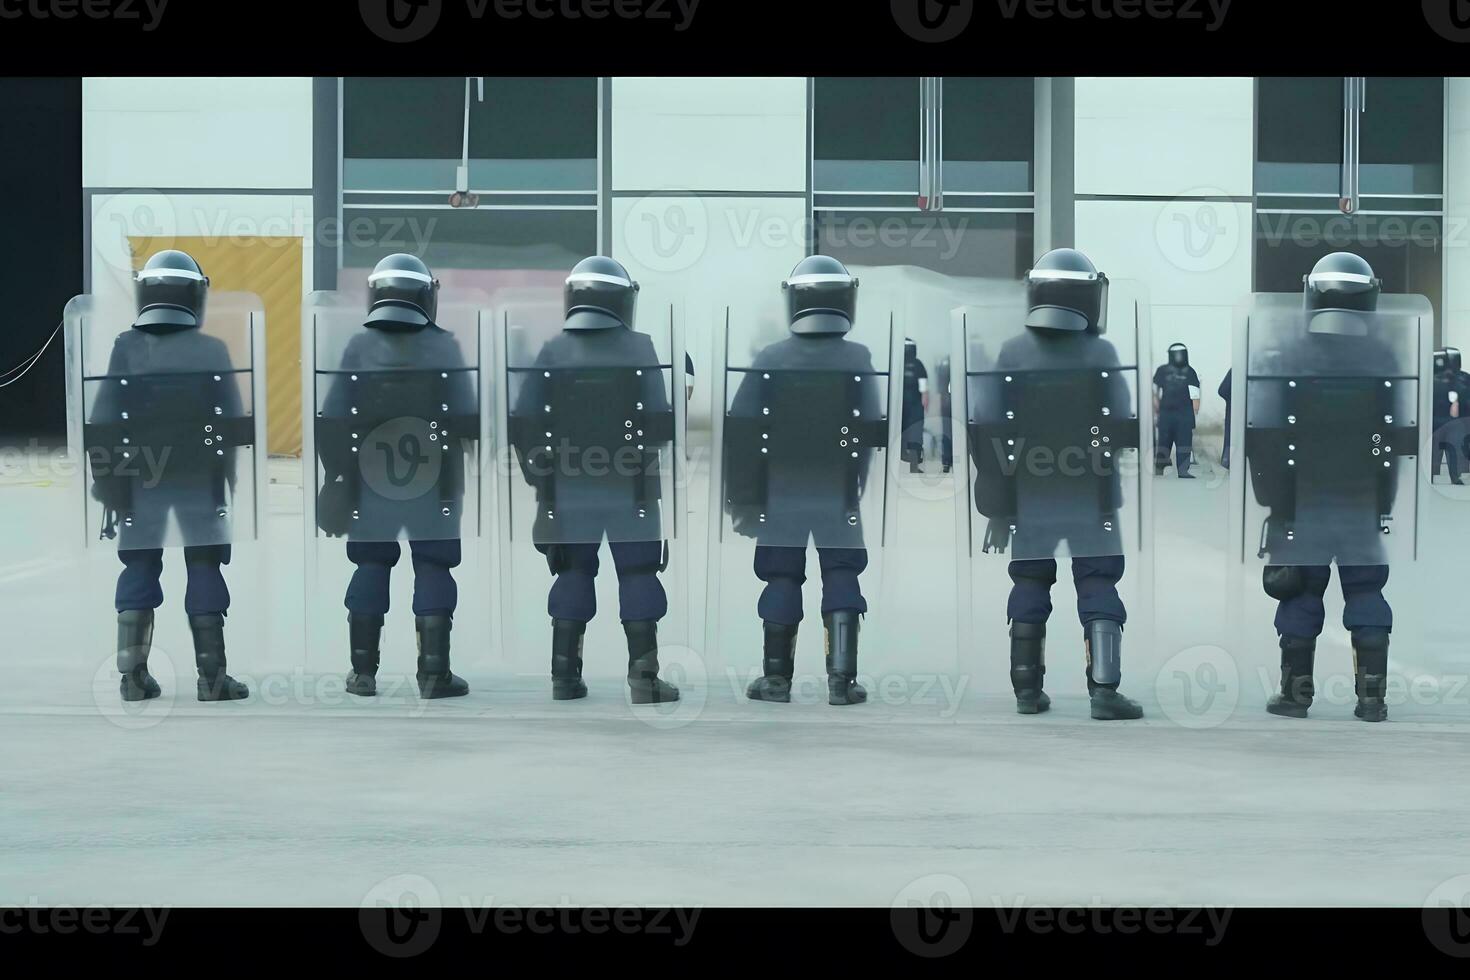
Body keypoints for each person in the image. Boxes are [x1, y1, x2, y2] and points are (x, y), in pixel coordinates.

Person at [968, 248, 1144, 721]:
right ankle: (1105, 690)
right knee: (1099, 581)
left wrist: (999, 502)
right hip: (1092, 494)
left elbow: (988, 429)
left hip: (1029, 495)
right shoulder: (1101, 352)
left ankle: (1026, 689)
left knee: (1029, 580)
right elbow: (1123, 423)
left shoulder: (1012, 351)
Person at [509, 256, 680, 704]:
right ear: (622, 299)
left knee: (572, 571)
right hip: (633, 488)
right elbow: (660, 423)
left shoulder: (552, 350)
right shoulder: (641, 348)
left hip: (568, 488)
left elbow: (523, 423)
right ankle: (644, 681)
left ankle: (564, 678)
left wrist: (540, 479)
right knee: (639, 574)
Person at [1248, 252, 1408, 723]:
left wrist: (1274, 502)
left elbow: (1264, 436)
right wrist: (1384, 500)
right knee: (1367, 593)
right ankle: (1372, 699)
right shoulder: (1383, 358)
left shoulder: (1289, 352)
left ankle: (1295, 697)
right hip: (1360, 502)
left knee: (1300, 593)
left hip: (1301, 504)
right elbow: (1393, 440)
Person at [88, 250, 251, 703]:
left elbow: (103, 419)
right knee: (204, 563)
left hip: (140, 479)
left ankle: (132, 678)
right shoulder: (212, 349)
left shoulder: (126, 347)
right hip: (200, 479)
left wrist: (108, 481)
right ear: (195, 294)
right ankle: (212, 678)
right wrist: (227, 480)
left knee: (139, 563)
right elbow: (234, 424)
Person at [315, 254, 478, 699]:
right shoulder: (445, 346)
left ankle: (363, 673)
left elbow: (330, 419)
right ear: (427, 294)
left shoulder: (357, 346)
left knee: (371, 562)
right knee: (434, 563)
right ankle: (434, 674)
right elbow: (468, 417)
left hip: (369, 480)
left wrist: (336, 479)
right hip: (437, 480)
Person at [728, 255, 884, 706]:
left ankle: (776, 680)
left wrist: (743, 499)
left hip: (780, 495)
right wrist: (855, 484)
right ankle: (842, 681)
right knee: (842, 573)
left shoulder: (771, 358)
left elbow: (741, 430)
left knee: (780, 577)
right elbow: (871, 429)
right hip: (838, 494)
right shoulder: (858, 357)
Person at [1153, 343, 1201, 478]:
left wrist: (1194, 410)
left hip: (1185, 413)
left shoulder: (1190, 371)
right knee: (1164, 442)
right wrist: (1155, 405)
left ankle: (1183, 470)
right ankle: (1159, 467)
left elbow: (1195, 394)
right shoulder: (1162, 370)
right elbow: (1154, 390)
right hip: (1166, 413)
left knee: (1184, 442)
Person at [1431, 347, 1464, 485]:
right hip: (1436, 420)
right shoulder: (1433, 379)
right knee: (1434, 451)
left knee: (1454, 449)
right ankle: (1431, 474)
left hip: (1454, 422)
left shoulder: (1463, 379)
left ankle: (1455, 476)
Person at [901, 338, 929, 473]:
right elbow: (924, 389)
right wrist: (925, 401)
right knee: (915, 434)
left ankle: (902, 465)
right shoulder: (918, 364)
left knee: (902, 434)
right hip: (915, 405)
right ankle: (913, 465)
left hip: (902, 406)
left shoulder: (898, 364)